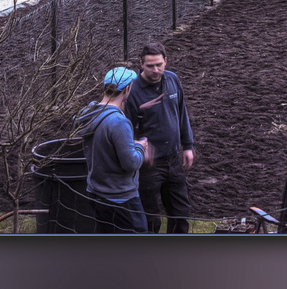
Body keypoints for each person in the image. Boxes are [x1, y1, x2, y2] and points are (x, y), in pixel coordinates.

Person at [126, 41, 196, 233]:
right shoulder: (132, 91)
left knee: (181, 212)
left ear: (166, 61)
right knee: (150, 217)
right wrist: (136, 150)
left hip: (174, 159)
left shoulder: (173, 80)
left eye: (159, 64)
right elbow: (126, 129)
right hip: (148, 165)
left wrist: (188, 146)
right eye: (150, 66)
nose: (155, 70)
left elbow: (182, 113)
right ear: (141, 63)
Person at [75, 65, 152, 233]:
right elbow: (131, 163)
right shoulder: (118, 122)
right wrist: (140, 147)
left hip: (95, 192)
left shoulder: (89, 114)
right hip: (120, 198)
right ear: (126, 89)